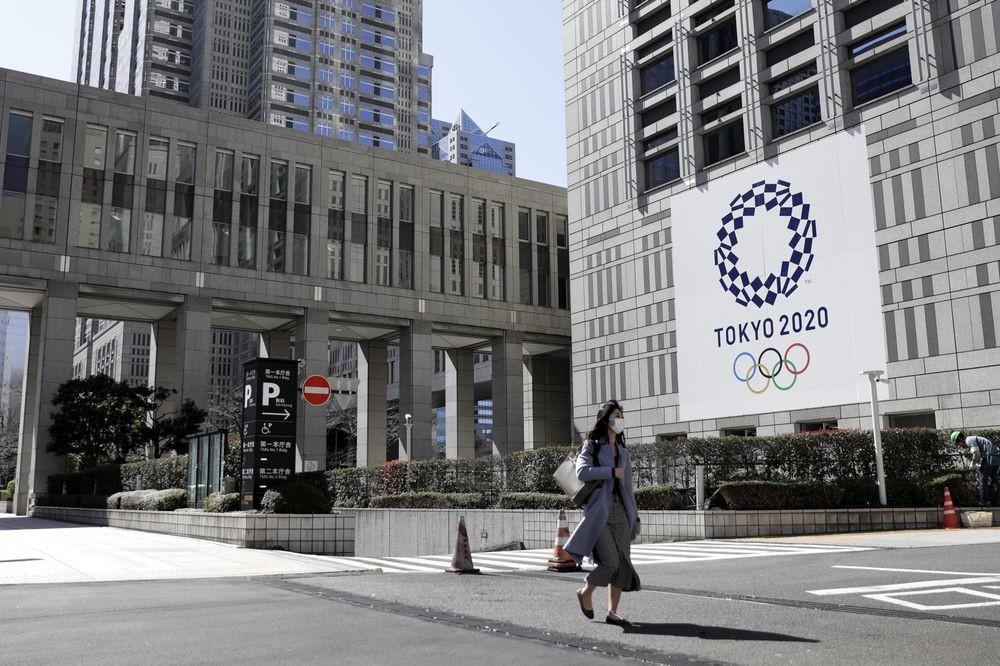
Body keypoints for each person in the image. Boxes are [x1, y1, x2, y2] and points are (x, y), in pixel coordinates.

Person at [565, 399, 641, 626]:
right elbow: (582, 471)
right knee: (611, 562)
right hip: (599, 512)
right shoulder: (592, 445)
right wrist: (611, 471)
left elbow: (628, 489)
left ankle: (612, 611)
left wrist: (635, 517)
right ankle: (586, 591)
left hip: (621, 512)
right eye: (617, 415)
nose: (620, 420)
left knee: (623, 562)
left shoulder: (624, 453)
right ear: (606, 419)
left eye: (621, 416)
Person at [951, 431, 1000, 506]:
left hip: (989, 456)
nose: (959, 446)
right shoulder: (972, 439)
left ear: (960, 439)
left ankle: (984, 502)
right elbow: (979, 454)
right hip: (996, 456)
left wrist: (972, 464)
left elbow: (976, 453)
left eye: (958, 444)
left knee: (982, 478)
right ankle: (998, 500)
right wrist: (978, 464)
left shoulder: (968, 440)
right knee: (994, 479)